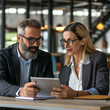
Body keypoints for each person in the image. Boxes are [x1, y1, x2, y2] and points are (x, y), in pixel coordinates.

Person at [51, 22, 109, 99]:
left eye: (70, 41)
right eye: (64, 41)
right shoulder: (64, 59)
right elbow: (62, 88)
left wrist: (76, 94)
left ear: (83, 41)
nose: (65, 45)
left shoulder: (98, 58)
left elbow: (102, 90)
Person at [0, 18, 54, 97]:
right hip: (9, 105)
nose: (35, 44)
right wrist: (20, 91)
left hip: (36, 105)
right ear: (19, 38)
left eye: (38, 39)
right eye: (31, 39)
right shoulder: (3, 56)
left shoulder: (45, 58)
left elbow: (49, 86)